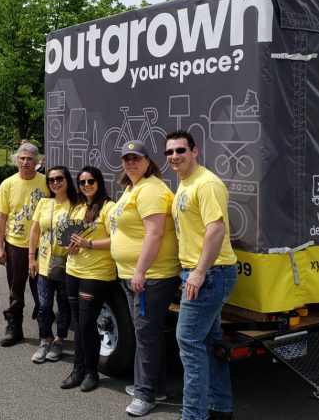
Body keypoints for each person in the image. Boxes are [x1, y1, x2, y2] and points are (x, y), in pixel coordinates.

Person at [165, 131, 239, 420]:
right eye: (169, 152)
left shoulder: (206, 184)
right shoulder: (186, 184)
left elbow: (216, 229)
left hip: (210, 273)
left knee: (189, 343)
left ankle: (193, 416)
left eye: (180, 150)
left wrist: (198, 272)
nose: (174, 156)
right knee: (208, 343)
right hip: (204, 273)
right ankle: (220, 409)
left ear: (194, 152)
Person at [108, 141, 181, 415]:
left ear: (148, 162)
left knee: (146, 335)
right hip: (134, 274)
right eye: (126, 159)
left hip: (151, 276)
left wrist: (139, 271)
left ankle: (145, 394)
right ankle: (156, 387)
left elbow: (155, 234)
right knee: (149, 334)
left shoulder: (150, 189)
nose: (130, 163)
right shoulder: (132, 187)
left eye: (136, 159)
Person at [61, 166, 115, 392]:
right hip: (73, 270)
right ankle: (77, 370)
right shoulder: (78, 208)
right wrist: (70, 245)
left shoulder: (109, 208)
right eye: (82, 183)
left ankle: (92, 372)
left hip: (97, 273)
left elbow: (118, 240)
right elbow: (66, 237)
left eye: (90, 181)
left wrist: (88, 244)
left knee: (87, 324)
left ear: (99, 182)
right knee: (78, 324)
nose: (86, 186)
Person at [0, 142, 46, 346]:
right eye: (21, 158)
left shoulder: (46, 182)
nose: (24, 162)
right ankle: (14, 328)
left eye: (29, 159)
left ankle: (45, 330)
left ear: (37, 161)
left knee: (42, 290)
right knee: (16, 290)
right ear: (17, 161)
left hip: (42, 247)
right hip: (15, 245)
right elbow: (1, 218)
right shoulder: (8, 184)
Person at [27, 166, 78, 364]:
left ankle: (58, 340)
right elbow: (35, 232)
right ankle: (44, 340)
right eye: (51, 180)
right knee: (44, 305)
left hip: (66, 264)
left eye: (59, 178)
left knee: (64, 305)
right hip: (43, 263)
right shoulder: (44, 203)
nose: (55, 182)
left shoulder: (76, 205)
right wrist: (32, 257)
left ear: (67, 180)